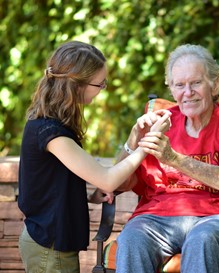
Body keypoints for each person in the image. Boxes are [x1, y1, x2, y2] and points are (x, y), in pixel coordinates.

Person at [17, 40, 171, 273]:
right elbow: (107, 179)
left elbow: (57, 184)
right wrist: (148, 144)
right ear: (77, 85)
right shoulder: (50, 133)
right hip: (49, 249)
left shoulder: (52, 125)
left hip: (51, 245)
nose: (102, 89)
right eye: (100, 84)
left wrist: (133, 138)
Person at [114, 44, 219, 273]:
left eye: (196, 83)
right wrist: (132, 141)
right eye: (179, 85)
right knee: (132, 239)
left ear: (214, 84)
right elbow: (119, 184)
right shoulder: (160, 123)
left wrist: (174, 158)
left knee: (201, 239)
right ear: (171, 89)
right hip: (158, 218)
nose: (188, 92)